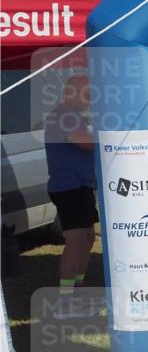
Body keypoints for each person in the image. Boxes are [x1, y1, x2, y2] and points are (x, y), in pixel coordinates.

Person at [44, 75, 97, 300]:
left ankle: (79, 284)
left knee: (87, 237)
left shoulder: (74, 115)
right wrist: (109, 139)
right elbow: (82, 142)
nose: (89, 99)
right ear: (70, 93)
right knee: (75, 240)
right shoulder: (63, 115)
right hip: (68, 188)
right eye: (86, 94)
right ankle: (66, 296)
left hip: (80, 186)